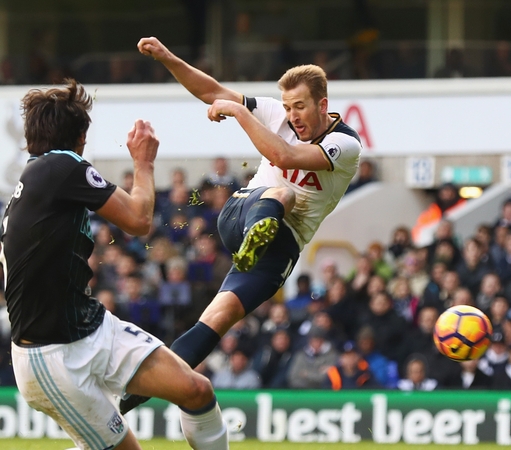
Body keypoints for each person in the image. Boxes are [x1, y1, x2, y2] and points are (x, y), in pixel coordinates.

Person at [122, 37, 362, 412]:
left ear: (323, 105)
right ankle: (256, 232)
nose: (292, 115)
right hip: (242, 215)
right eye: (287, 107)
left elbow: (283, 153)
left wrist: (239, 113)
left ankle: (128, 399)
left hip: (282, 245)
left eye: (300, 106)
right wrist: (168, 57)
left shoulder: (345, 145)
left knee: (217, 319)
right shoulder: (275, 113)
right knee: (283, 195)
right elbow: (212, 91)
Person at [0, 80, 228, 449]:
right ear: (79, 137)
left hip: (91, 328)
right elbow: (139, 220)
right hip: (50, 357)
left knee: (195, 389)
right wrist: (144, 162)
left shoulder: (36, 181)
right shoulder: (62, 166)